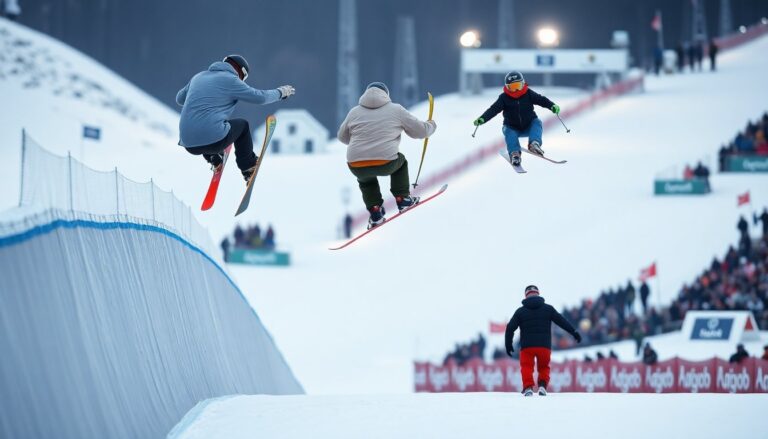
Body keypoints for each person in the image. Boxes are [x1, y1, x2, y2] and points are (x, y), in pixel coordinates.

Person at [176, 55, 295, 182]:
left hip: (189, 144)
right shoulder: (231, 80)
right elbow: (261, 97)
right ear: (241, 71)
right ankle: (248, 167)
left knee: (210, 124)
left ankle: (214, 158)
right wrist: (281, 92)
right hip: (214, 139)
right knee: (242, 126)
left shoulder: (198, 77)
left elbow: (179, 99)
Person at [338, 82, 436, 229]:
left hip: (356, 164)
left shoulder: (354, 112)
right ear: (386, 95)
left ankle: (375, 212)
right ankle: (402, 199)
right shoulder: (396, 110)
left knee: (366, 180)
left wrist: (360, 142)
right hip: (386, 162)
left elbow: (342, 137)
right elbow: (421, 132)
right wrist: (431, 125)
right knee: (401, 163)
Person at [505, 285, 581, 396]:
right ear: (538, 294)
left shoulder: (520, 311)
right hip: (544, 346)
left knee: (526, 367)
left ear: (526, 296)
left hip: (527, 347)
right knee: (544, 367)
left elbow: (510, 328)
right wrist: (573, 332)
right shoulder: (548, 309)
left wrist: (508, 344)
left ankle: (528, 387)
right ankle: (542, 386)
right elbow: (561, 321)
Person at [473, 71, 559, 168]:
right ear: (507, 87)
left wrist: (552, 106)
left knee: (537, 123)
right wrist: (482, 119)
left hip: (528, 125)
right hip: (512, 126)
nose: (516, 90)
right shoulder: (503, 98)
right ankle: (515, 153)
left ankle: (534, 144)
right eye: (513, 87)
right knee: (509, 132)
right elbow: (493, 109)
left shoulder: (528, 93)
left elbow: (541, 100)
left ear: (522, 84)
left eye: (518, 86)